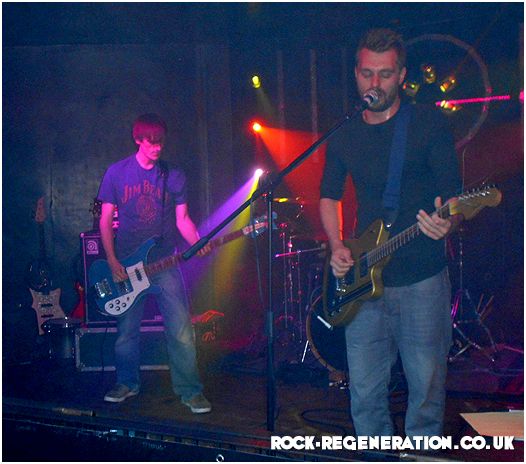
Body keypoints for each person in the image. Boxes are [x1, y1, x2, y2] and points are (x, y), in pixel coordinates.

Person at [319, 28, 462, 437]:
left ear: (401, 75)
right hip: (364, 281)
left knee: (426, 393)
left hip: (421, 278)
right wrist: (337, 245)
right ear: (356, 74)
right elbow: (329, 196)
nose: (375, 83)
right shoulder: (344, 132)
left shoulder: (427, 124)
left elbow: (454, 198)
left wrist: (448, 221)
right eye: (367, 73)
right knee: (364, 394)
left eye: (385, 74)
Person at [97, 113, 211, 413]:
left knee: (181, 330)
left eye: (161, 142)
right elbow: (105, 220)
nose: (157, 148)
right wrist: (112, 260)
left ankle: (190, 391)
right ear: (138, 139)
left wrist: (198, 242)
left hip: (164, 264)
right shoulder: (117, 173)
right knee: (126, 332)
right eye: (151, 142)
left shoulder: (173, 175)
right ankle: (127, 383)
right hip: (127, 265)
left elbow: (183, 220)